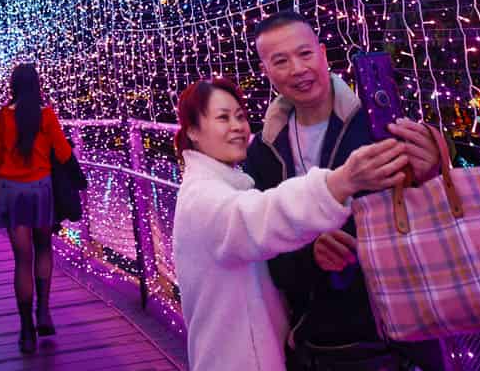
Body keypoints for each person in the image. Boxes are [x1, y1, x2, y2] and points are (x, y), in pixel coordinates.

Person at [242, 13, 446, 371]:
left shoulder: (381, 122)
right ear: (267, 72)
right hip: (316, 344)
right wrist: (310, 254)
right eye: (281, 61)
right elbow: (267, 253)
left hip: (401, 338)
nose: (297, 69)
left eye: (305, 54)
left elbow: (432, 207)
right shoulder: (263, 151)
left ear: (323, 54)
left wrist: (435, 166)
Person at [172, 76, 410, 371]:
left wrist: (311, 248)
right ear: (193, 130)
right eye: (223, 118)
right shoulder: (202, 197)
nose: (237, 127)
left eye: (240, 116)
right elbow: (257, 218)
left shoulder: (229, 185)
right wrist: (339, 182)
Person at [0, 63, 73, 354]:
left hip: (13, 192)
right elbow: (63, 152)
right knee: (43, 250)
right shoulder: (47, 114)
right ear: (37, 84)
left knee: (21, 260)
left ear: (13, 85)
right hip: (41, 189)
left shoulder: (3, 115)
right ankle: (44, 313)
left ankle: (26, 331)